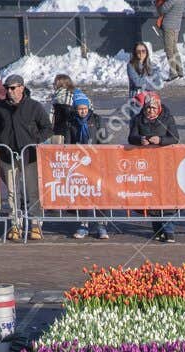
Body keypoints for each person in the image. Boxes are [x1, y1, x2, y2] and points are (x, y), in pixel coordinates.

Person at [0, 73, 50, 241]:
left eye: (13, 88)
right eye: (7, 88)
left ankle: (35, 224)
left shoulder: (34, 106)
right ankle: (15, 224)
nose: (9, 91)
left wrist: (35, 140)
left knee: (33, 191)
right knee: (12, 193)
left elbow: (47, 127)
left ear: (21, 88)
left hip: (29, 155)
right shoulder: (0, 107)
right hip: (8, 155)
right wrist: (1, 137)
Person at [129, 91, 180, 240]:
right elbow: (131, 137)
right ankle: (157, 229)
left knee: (166, 196)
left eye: (153, 108)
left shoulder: (167, 118)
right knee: (152, 196)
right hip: (146, 164)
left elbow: (175, 137)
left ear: (158, 107)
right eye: (147, 108)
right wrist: (140, 140)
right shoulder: (138, 119)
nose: (150, 111)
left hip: (165, 164)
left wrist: (161, 140)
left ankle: (169, 230)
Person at [66, 93, 111, 238]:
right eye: (80, 109)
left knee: (99, 193)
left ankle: (101, 225)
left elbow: (104, 140)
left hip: (97, 161)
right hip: (80, 162)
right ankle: (83, 224)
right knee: (82, 193)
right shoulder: (71, 121)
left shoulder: (97, 119)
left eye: (85, 108)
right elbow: (68, 142)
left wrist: (99, 154)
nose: (83, 111)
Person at [157, 0, 185, 81]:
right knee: (174, 49)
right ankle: (180, 71)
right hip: (177, 26)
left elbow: (162, 10)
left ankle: (173, 73)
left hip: (168, 26)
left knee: (169, 50)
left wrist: (158, 3)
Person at [49, 74, 78, 143]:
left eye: (55, 83)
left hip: (60, 129)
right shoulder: (75, 94)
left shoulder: (57, 98)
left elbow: (51, 117)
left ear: (61, 84)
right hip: (74, 129)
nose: (53, 85)